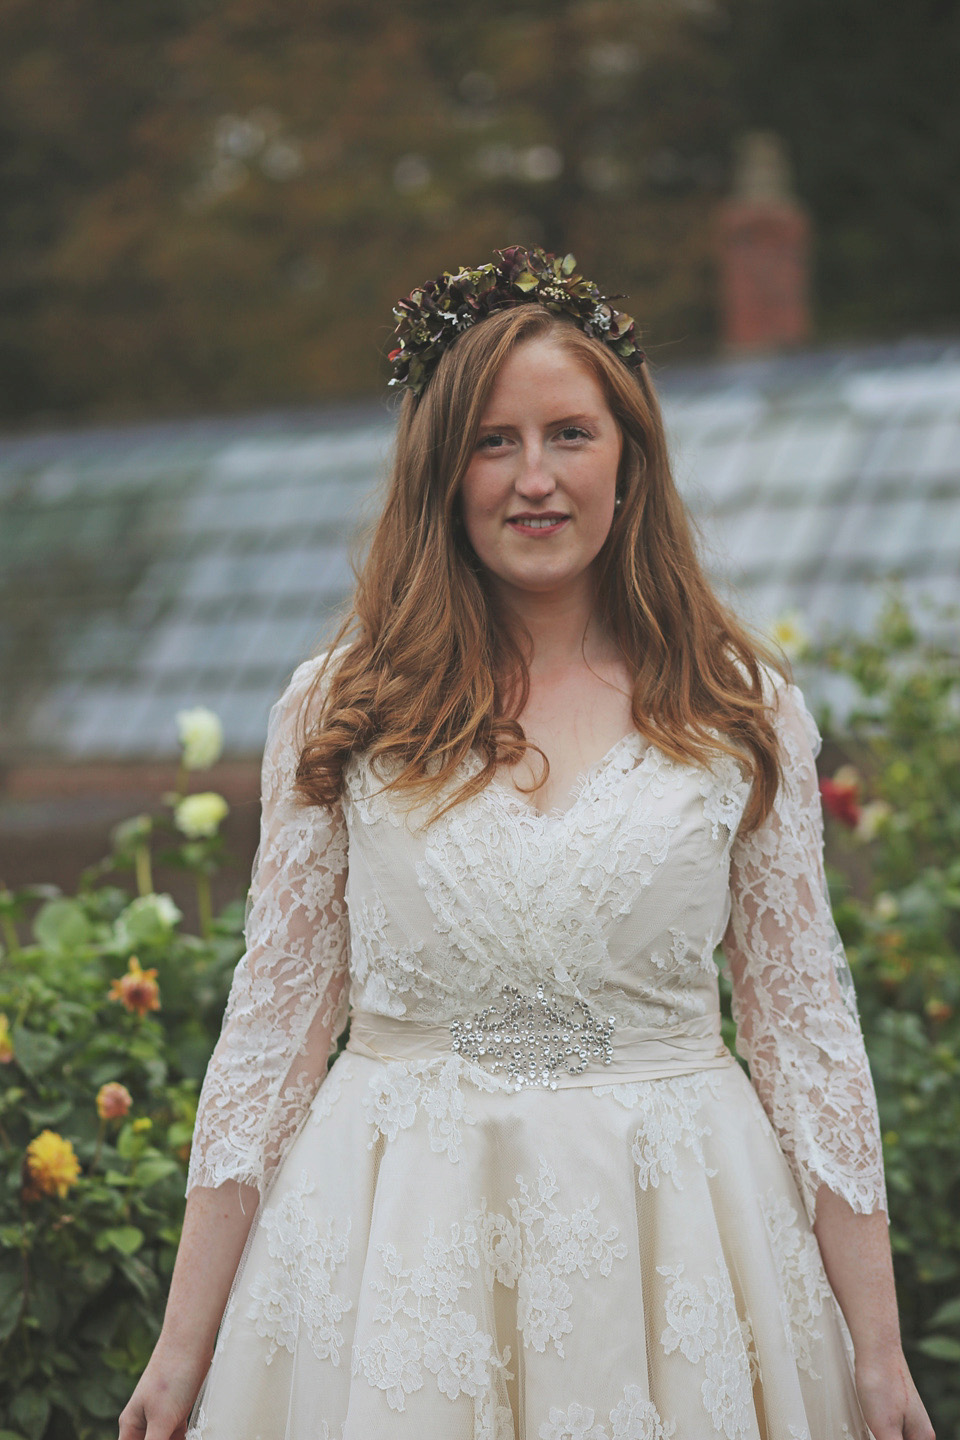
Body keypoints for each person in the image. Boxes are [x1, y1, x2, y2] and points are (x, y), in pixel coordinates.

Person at [119, 246, 934, 1440]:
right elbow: (270, 1041)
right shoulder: (344, 709)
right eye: (494, 442)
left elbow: (806, 1031)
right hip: (397, 1255)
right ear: (442, 472)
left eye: (570, 434)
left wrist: (879, 1350)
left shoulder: (738, 708)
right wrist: (181, 1354)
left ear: (630, 460)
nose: (534, 478)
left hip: (681, 1251)